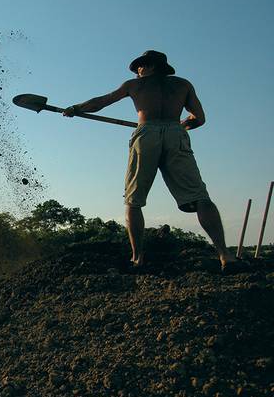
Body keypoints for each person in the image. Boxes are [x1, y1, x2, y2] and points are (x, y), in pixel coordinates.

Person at [63, 50, 239, 272]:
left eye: (141, 65)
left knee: (133, 199)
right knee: (200, 197)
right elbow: (200, 118)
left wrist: (76, 108)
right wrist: (181, 125)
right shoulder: (183, 84)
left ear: (153, 66)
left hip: (146, 135)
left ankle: (137, 258)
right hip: (177, 134)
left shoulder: (134, 85)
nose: (138, 70)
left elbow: (102, 102)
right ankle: (226, 255)